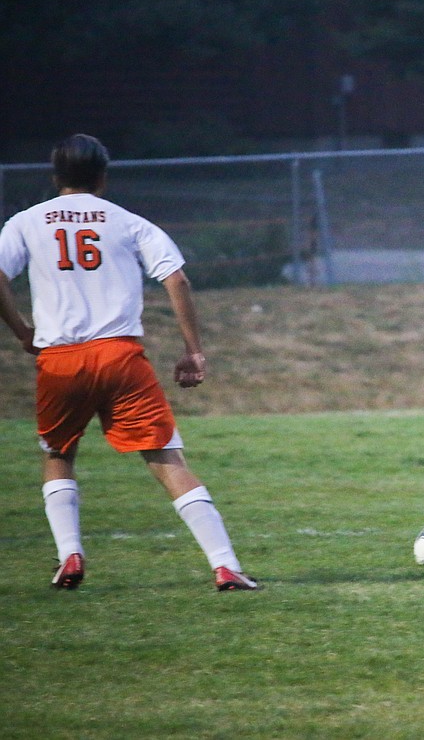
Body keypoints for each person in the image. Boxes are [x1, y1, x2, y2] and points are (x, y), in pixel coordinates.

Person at [0, 133, 260, 591]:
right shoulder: (127, 222)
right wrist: (193, 350)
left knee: (58, 454)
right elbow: (175, 278)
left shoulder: (26, 222)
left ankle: (71, 556)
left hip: (60, 358)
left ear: (56, 175)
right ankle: (225, 566)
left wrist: (23, 331)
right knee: (165, 457)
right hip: (120, 356)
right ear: (102, 176)